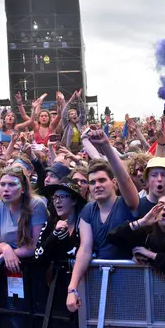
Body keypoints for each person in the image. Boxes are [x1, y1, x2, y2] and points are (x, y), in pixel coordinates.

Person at [66, 130, 140, 312]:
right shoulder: (88, 210)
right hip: (101, 280)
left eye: (102, 180)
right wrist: (72, 287)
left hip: (133, 280)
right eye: (92, 182)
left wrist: (106, 146)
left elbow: (126, 179)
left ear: (113, 183)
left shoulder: (128, 203)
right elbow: (85, 248)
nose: (97, 185)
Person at [107, 194, 165, 276]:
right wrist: (141, 222)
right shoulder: (147, 229)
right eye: (160, 205)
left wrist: (150, 254)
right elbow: (112, 236)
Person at [0, 167, 48, 275]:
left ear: (23, 188)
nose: (5, 189)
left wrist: (3, 256)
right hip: (9, 265)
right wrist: (6, 249)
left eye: (12, 184)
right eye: (2, 184)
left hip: (34, 265)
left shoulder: (36, 204)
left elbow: (35, 245)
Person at [35, 178, 87, 262]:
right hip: (55, 274)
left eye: (62, 197)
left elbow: (82, 253)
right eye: (54, 197)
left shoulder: (84, 223)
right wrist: (54, 234)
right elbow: (38, 256)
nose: (57, 201)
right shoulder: (50, 223)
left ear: (74, 201)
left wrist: (65, 238)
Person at [59, 89, 87, 154]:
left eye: (75, 114)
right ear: (68, 117)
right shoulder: (66, 125)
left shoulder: (79, 123)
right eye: (71, 114)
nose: (74, 114)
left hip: (79, 150)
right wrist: (71, 100)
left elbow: (83, 112)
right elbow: (64, 113)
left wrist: (79, 99)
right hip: (68, 150)